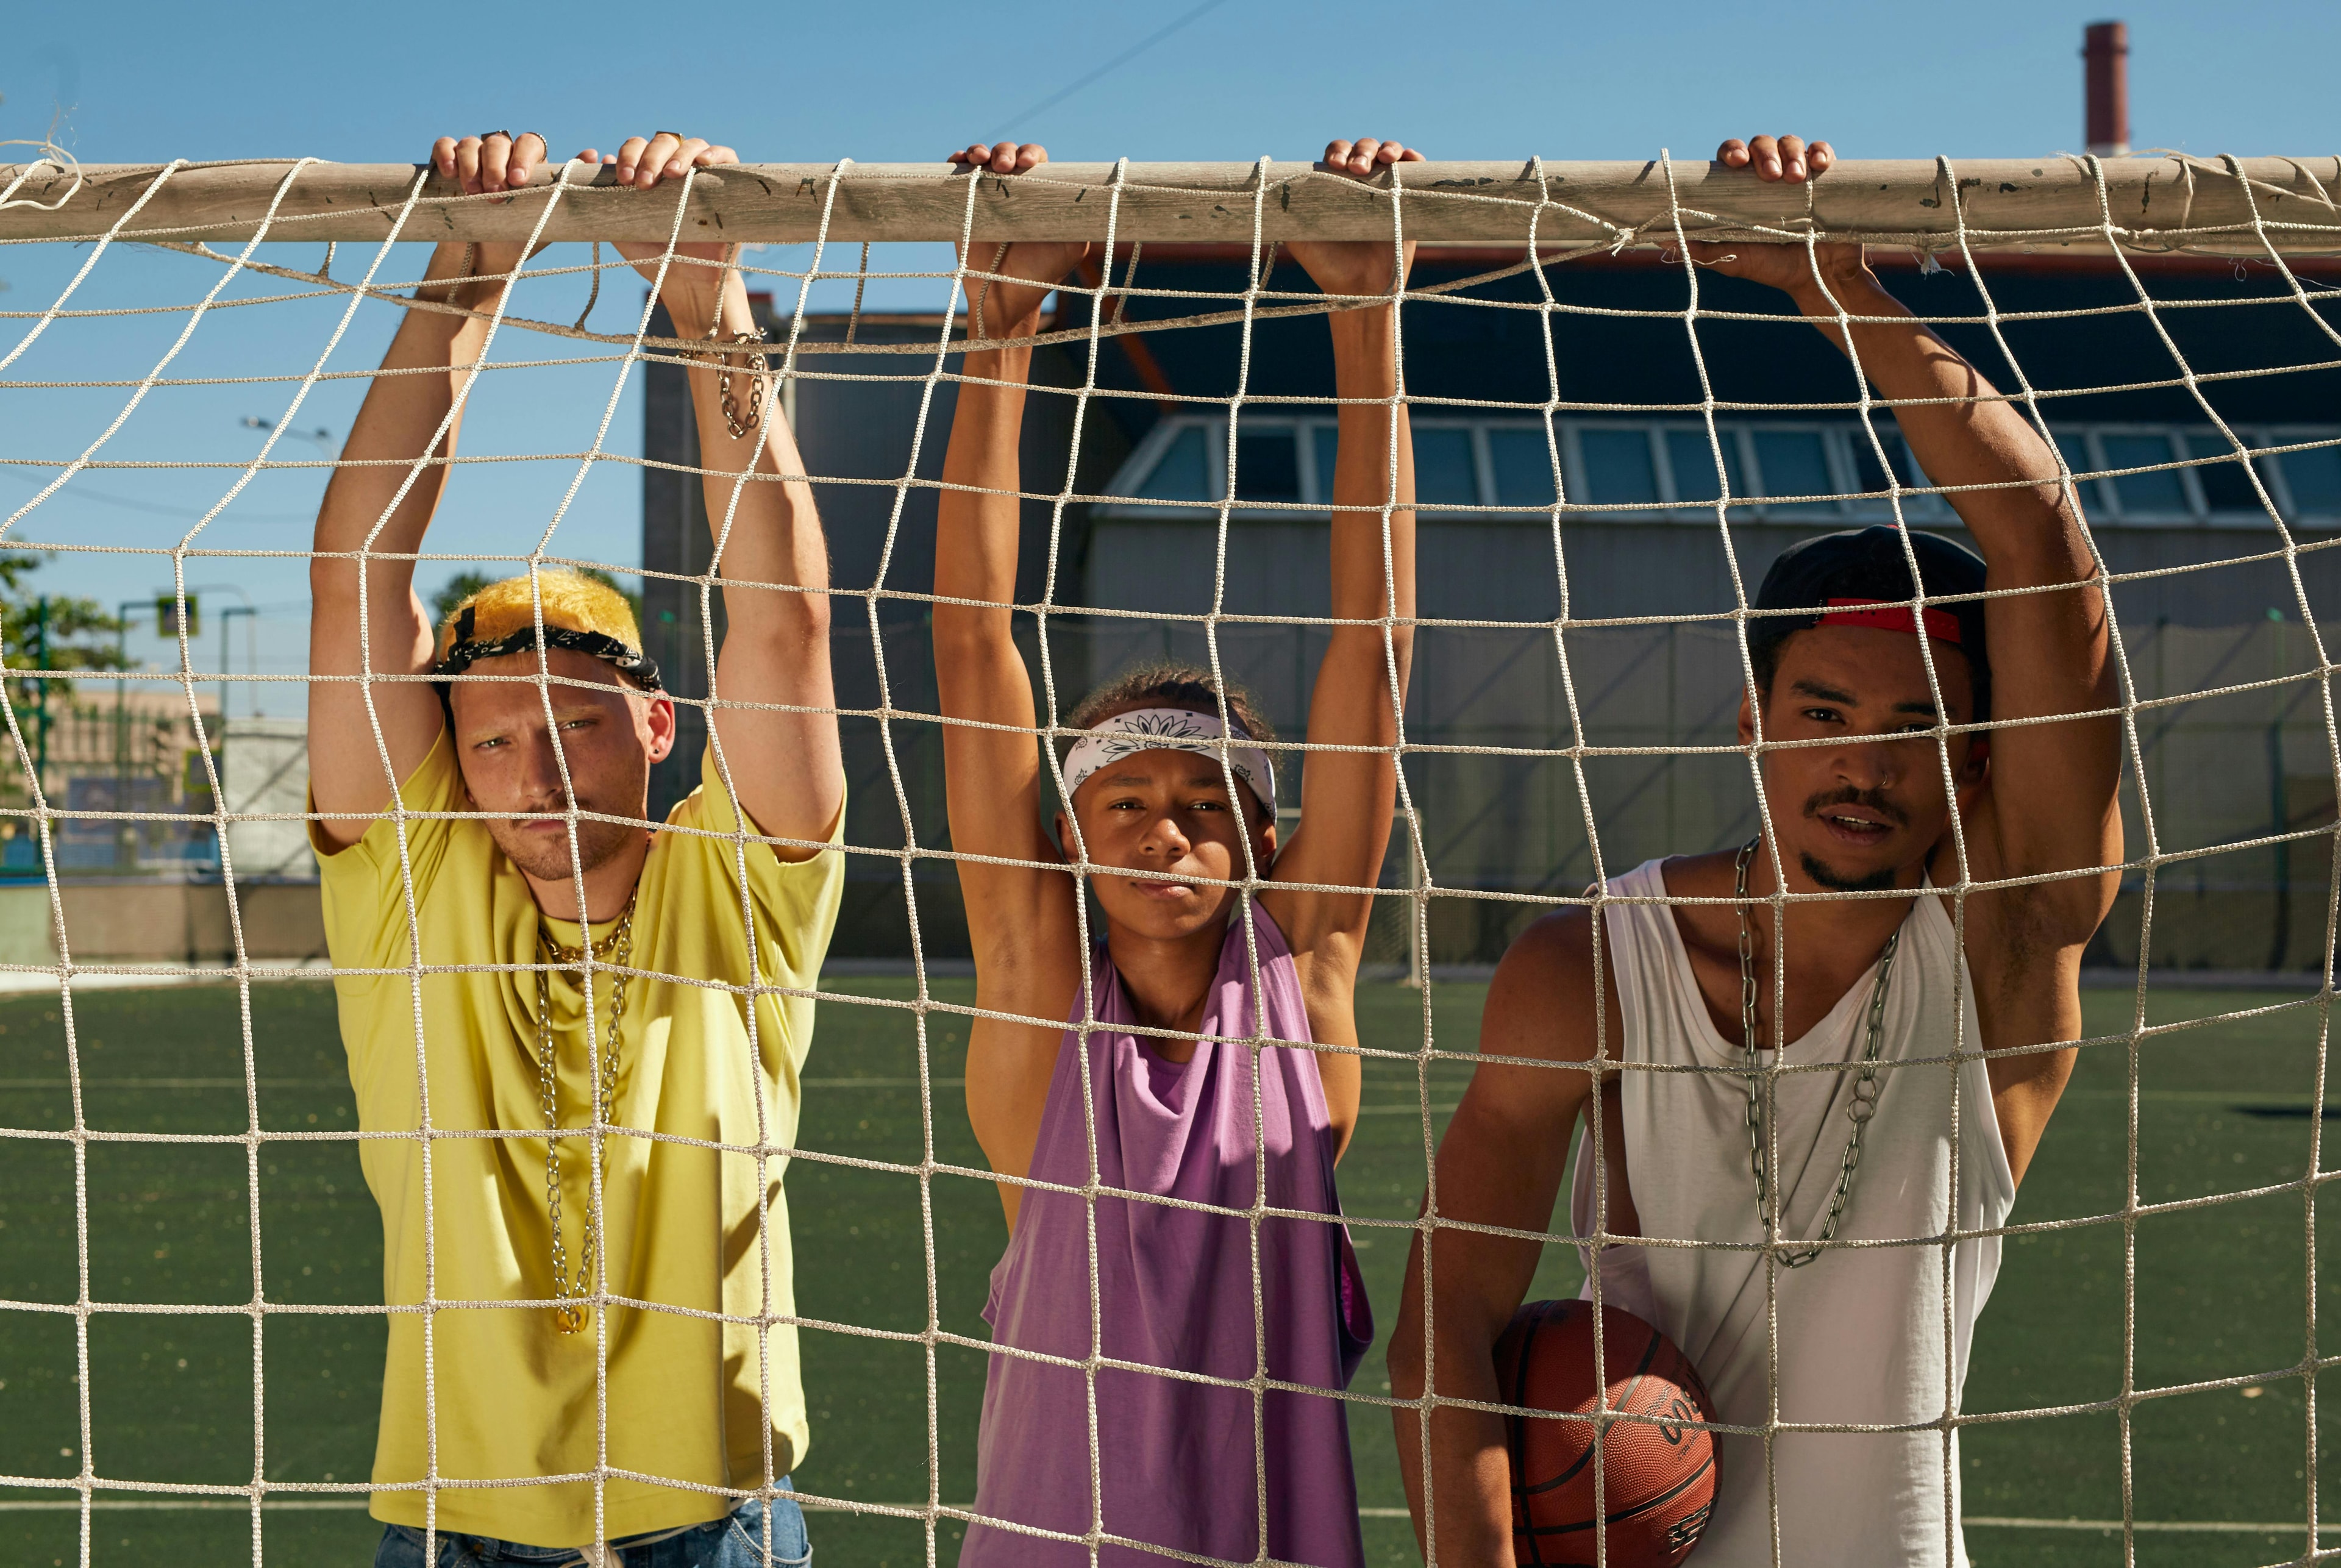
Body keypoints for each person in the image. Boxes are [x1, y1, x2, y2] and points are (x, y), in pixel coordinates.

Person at [1389, 133, 2123, 1566]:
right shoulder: (1589, 963)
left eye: (1919, 723)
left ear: (1981, 751)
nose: (1864, 759)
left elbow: (2044, 542)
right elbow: (1454, 1310)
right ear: (1755, 721)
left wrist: (1829, 284)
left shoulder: (2007, 945)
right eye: (1827, 712)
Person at [309, 130, 843, 1566]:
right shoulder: (418, 885)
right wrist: (463, 274)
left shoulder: (737, 885)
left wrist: (708, 304)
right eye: (490, 738)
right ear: (451, 756)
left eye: (577, 724)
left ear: (661, 724)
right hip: (453, 1526)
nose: (533, 769)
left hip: (714, 1517)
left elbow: (783, 616)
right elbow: (359, 574)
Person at [931, 135, 1425, 1568]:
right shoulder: (1037, 984)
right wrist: (1002, 330)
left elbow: (1374, 651)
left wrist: (1366, 315)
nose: (1166, 825)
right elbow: (972, 646)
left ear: (1265, 844)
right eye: (1126, 800)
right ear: (1070, 841)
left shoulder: (1306, 977)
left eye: (1206, 804)